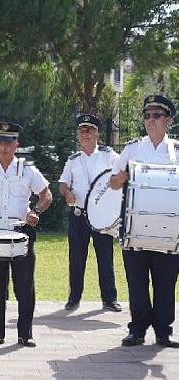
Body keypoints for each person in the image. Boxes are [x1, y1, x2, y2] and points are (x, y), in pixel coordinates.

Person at [0, 122, 52, 348]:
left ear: (16, 144)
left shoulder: (27, 170)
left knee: (24, 286)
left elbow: (46, 195)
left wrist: (35, 212)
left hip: (21, 232)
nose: (4, 148)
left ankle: (25, 333)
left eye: (8, 143)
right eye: (0, 142)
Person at [110, 95, 179, 348]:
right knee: (137, 283)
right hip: (135, 230)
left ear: (167, 121)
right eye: (147, 116)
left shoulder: (177, 151)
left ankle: (163, 332)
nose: (150, 120)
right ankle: (137, 330)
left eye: (156, 116)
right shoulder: (132, 148)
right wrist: (121, 178)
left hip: (170, 232)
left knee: (165, 284)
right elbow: (113, 182)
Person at [59, 114, 120, 312]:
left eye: (89, 130)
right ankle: (74, 298)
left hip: (102, 215)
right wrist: (66, 192)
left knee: (105, 256)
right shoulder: (73, 159)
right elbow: (62, 182)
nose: (85, 134)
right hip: (79, 213)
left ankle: (109, 299)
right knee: (76, 257)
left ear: (97, 133)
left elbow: (121, 175)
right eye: (82, 130)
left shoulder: (109, 155)